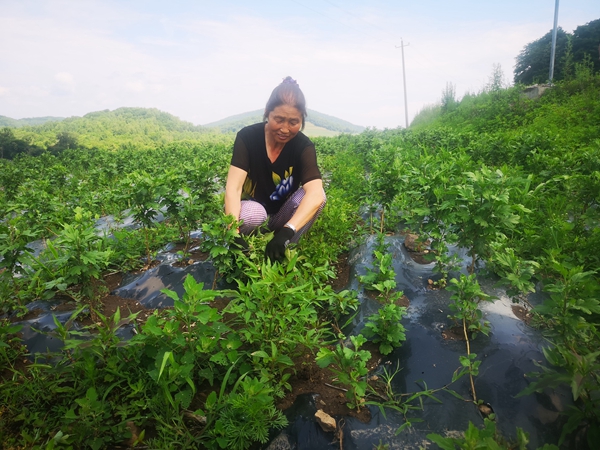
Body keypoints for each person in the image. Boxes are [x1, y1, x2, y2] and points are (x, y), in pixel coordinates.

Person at [224, 76, 326, 262]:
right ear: (267, 113)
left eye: (293, 122)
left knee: (316, 195)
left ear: (301, 120)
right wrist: (233, 232)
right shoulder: (248, 137)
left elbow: (316, 194)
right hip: (253, 210)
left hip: (282, 216)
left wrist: (287, 232)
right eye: (279, 119)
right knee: (254, 214)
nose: (285, 129)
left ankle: (283, 247)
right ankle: (246, 247)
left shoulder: (303, 146)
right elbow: (234, 188)